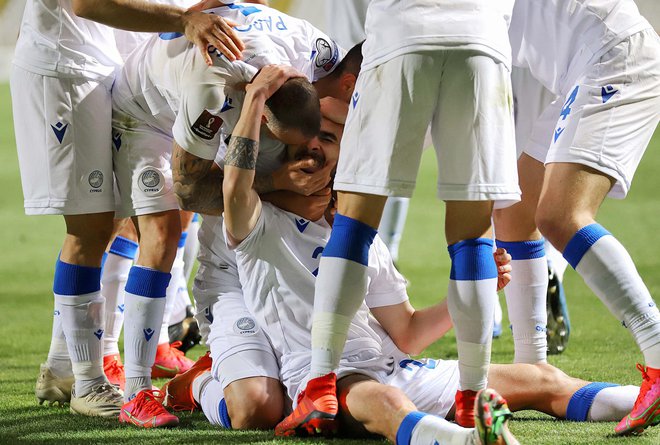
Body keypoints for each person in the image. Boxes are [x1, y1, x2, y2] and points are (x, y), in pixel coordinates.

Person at [290, 0, 520, 433]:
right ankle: (472, 394)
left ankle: (319, 384)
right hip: (484, 38)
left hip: (401, 33)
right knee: (473, 236)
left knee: (354, 224)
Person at [11, 0, 245, 417]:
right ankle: (88, 381)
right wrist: (182, 18)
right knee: (91, 227)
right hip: (65, 68)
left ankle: (65, 367)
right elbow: (86, 4)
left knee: (119, 219)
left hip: (108, 65)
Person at [111, 3, 338, 426]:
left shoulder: (311, 45)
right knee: (161, 235)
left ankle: (234, 350)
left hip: (242, 89)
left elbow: (344, 81)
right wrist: (278, 182)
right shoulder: (212, 87)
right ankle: (136, 391)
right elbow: (193, 190)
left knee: (255, 167)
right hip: (146, 112)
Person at [493, 0, 660, 436]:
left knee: (561, 215)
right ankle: (533, 367)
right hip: (581, 69)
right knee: (513, 209)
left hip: (612, 54)